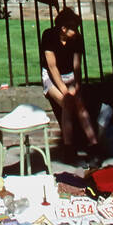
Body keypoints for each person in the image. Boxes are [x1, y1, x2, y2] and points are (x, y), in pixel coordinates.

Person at [40, 8, 100, 162]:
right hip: (52, 76)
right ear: (63, 28)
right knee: (67, 102)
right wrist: (65, 91)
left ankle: (94, 145)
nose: (77, 31)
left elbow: (77, 67)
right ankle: (69, 148)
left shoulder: (77, 39)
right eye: (74, 28)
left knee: (79, 103)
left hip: (70, 75)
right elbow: (52, 67)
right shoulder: (49, 36)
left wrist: (75, 87)